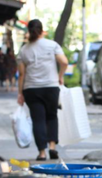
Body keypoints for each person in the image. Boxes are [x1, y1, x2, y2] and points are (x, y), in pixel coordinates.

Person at [17, 19, 68, 161]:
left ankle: (42, 153)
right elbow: (64, 62)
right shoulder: (52, 45)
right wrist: (60, 76)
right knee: (51, 116)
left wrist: (20, 93)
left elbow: (21, 74)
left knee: (38, 120)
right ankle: (52, 147)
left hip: (31, 89)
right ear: (42, 30)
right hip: (51, 87)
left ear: (29, 31)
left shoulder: (24, 50)